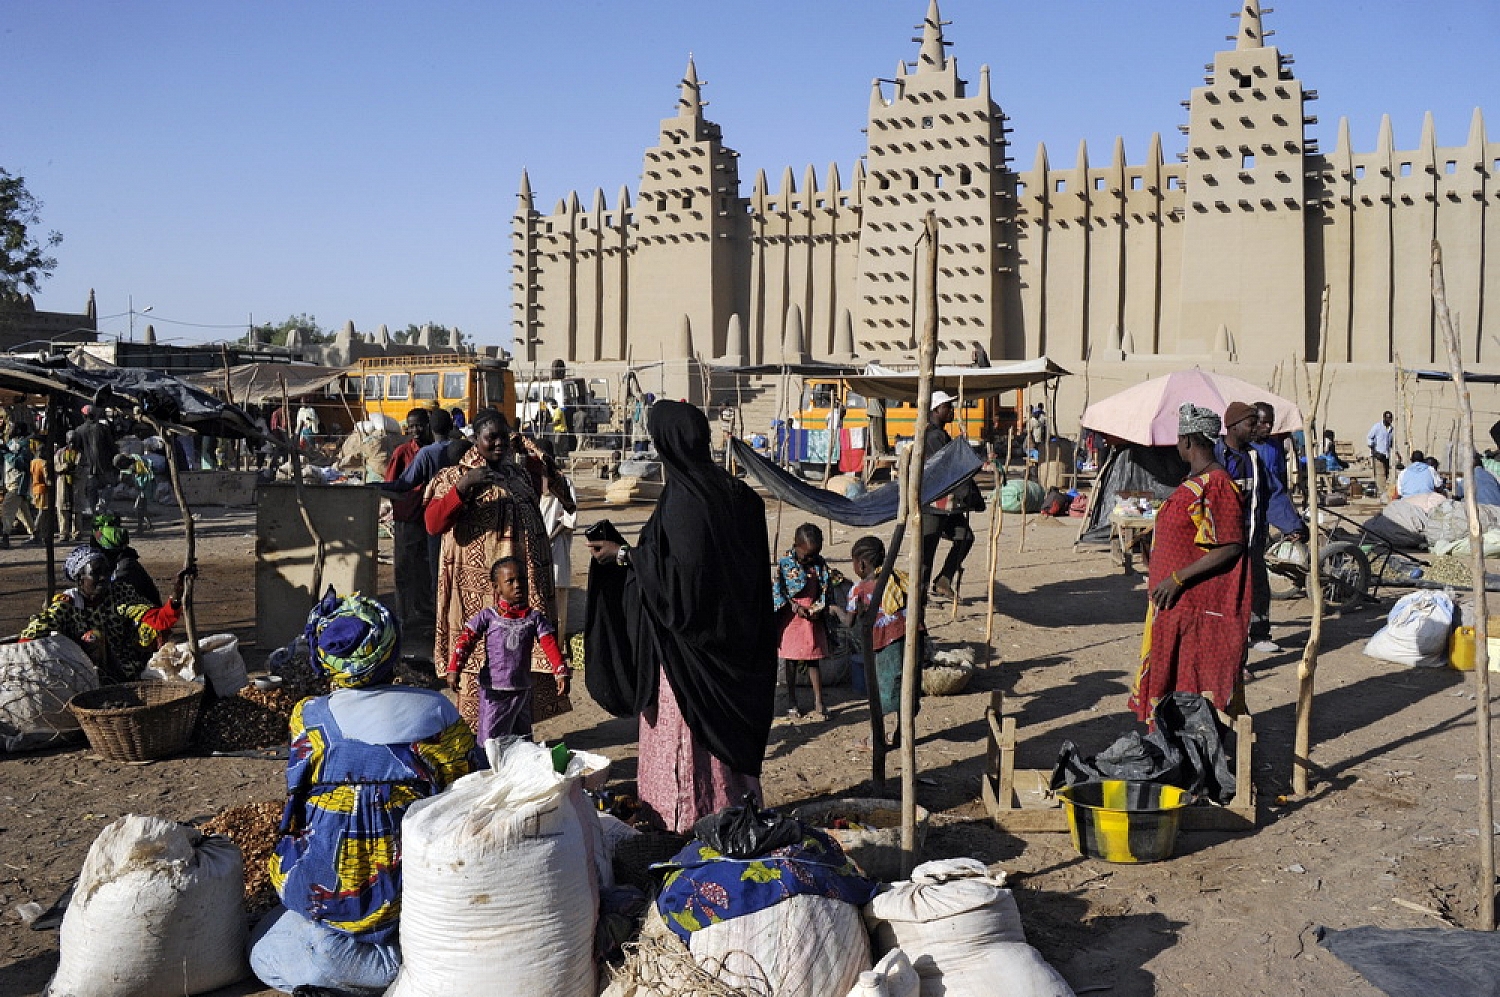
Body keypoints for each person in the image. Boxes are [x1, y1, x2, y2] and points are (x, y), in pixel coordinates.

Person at [250, 592, 483, 997]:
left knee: (263, 952)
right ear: (390, 652)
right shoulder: (437, 713)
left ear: (327, 661)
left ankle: (347, 971)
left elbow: (298, 790)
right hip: (410, 893)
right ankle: (385, 970)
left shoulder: (308, 717)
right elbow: (471, 790)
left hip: (327, 892)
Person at [583, 400, 776, 833]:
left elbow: (683, 589)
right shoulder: (734, 493)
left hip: (690, 663)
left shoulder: (688, 499)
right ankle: (736, 817)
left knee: (688, 747)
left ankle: (686, 823)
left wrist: (625, 555)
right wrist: (633, 555)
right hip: (735, 652)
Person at [425, 407, 571, 734]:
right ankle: (482, 746)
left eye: (504, 436)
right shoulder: (454, 476)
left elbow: (560, 489)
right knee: (482, 668)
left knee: (519, 666)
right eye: (491, 437)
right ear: (475, 440)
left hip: (521, 593)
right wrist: (464, 487)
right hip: (476, 597)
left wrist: (531, 449)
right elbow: (433, 524)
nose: (499, 444)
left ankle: (518, 741)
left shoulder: (518, 475)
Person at [1129, 404, 1248, 725]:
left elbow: (1231, 545)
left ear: (1188, 442)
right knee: (1172, 678)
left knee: (1190, 682)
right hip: (1173, 607)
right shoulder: (1195, 481)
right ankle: (1173, 746)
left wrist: (1177, 579)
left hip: (1193, 605)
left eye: (1179, 439)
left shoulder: (1218, 484)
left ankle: (1195, 750)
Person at [20, 546, 189, 683]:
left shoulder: (119, 592)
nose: (103, 578)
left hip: (127, 662)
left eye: (106, 571)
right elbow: (34, 631)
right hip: (85, 672)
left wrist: (175, 596)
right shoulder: (68, 603)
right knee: (92, 637)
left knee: (154, 631)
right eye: (95, 573)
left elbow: (159, 619)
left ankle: (135, 677)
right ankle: (102, 686)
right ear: (80, 579)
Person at [446, 557, 570, 743]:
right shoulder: (488, 616)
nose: (517, 585)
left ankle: (519, 769)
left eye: (521, 579)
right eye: (510, 581)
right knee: (490, 739)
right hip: (494, 690)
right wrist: (455, 668)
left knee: (522, 737)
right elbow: (466, 641)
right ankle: (490, 770)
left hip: (522, 688)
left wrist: (560, 672)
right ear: (497, 587)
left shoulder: (534, 618)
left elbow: (549, 644)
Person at [835, 534, 916, 749]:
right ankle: (902, 733)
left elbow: (849, 621)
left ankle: (875, 739)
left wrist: (834, 609)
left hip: (886, 644)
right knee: (906, 686)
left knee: (882, 691)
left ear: (861, 563)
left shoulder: (860, 589)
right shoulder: (899, 579)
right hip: (910, 638)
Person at [1216, 401, 1282, 655]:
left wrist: (1290, 523)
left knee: (1257, 583)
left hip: (1252, 532)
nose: (1257, 428)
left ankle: (1259, 632)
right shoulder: (1217, 456)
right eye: (1252, 424)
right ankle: (1229, 650)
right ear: (1233, 427)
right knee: (1228, 592)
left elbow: (1272, 492)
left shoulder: (1254, 458)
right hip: (1223, 538)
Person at [379, 410, 435, 634]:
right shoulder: (403, 453)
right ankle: (402, 615)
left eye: (419, 426)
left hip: (428, 519)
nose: (415, 431)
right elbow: (391, 485)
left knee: (425, 568)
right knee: (404, 569)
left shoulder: (433, 452)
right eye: (411, 427)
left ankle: (423, 609)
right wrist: (404, 503)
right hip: (408, 519)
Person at [921, 390, 979, 601]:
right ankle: (920, 596)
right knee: (927, 550)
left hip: (948, 503)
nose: (952, 411)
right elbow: (947, 466)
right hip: (933, 502)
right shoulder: (932, 435)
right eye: (947, 407)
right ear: (937, 409)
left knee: (965, 536)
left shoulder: (941, 434)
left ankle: (943, 580)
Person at [773, 523, 835, 720]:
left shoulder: (820, 564)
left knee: (813, 660)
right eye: (806, 555)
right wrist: (794, 606)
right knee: (790, 661)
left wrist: (819, 607)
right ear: (795, 545)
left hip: (811, 619)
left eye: (814, 555)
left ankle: (819, 701)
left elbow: (826, 589)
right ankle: (792, 702)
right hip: (791, 620)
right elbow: (778, 592)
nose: (809, 559)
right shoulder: (784, 564)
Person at [73, 404, 116, 515]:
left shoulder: (79, 431)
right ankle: (101, 507)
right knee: (109, 486)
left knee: (91, 491)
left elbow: (76, 449)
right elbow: (112, 447)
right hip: (104, 466)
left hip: (88, 467)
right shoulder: (103, 428)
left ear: (84, 416)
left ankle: (94, 513)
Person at [0, 437, 36, 547]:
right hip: (11, 484)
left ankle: (5, 537)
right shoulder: (10, 445)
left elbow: (20, 464)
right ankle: (35, 534)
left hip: (17, 484)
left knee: (7, 509)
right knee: (22, 512)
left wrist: (7, 453)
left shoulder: (23, 447)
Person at [54, 431, 81, 541]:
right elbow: (56, 466)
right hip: (62, 482)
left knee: (77, 509)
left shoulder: (80, 454)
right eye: (70, 442)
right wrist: (64, 467)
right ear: (66, 441)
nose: (72, 445)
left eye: (74, 442)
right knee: (62, 509)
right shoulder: (60, 453)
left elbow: (84, 468)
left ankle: (77, 532)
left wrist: (75, 470)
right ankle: (63, 533)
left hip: (76, 483)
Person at [1368, 411, 1396, 498]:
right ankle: (1382, 493)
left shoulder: (1391, 429)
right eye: (1388, 418)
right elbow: (1369, 438)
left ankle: (1382, 491)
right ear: (1384, 418)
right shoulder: (1377, 427)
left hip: (1386, 454)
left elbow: (1390, 442)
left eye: (1391, 418)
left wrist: (1396, 452)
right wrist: (1374, 451)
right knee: (1380, 475)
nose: (1390, 420)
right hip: (1378, 454)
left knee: (1386, 473)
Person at [29, 438, 52, 541]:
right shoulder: (43, 463)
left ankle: (40, 532)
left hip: (35, 488)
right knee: (42, 512)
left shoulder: (33, 462)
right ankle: (36, 530)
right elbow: (46, 477)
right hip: (43, 489)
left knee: (40, 511)